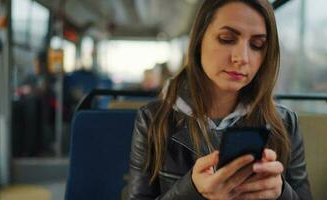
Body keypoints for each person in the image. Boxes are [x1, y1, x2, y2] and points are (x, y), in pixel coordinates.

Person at [128, 0, 312, 199]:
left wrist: (281, 193)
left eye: (257, 45)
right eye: (227, 39)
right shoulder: (153, 118)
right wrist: (193, 191)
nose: (242, 58)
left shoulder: (284, 123)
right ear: (199, 40)